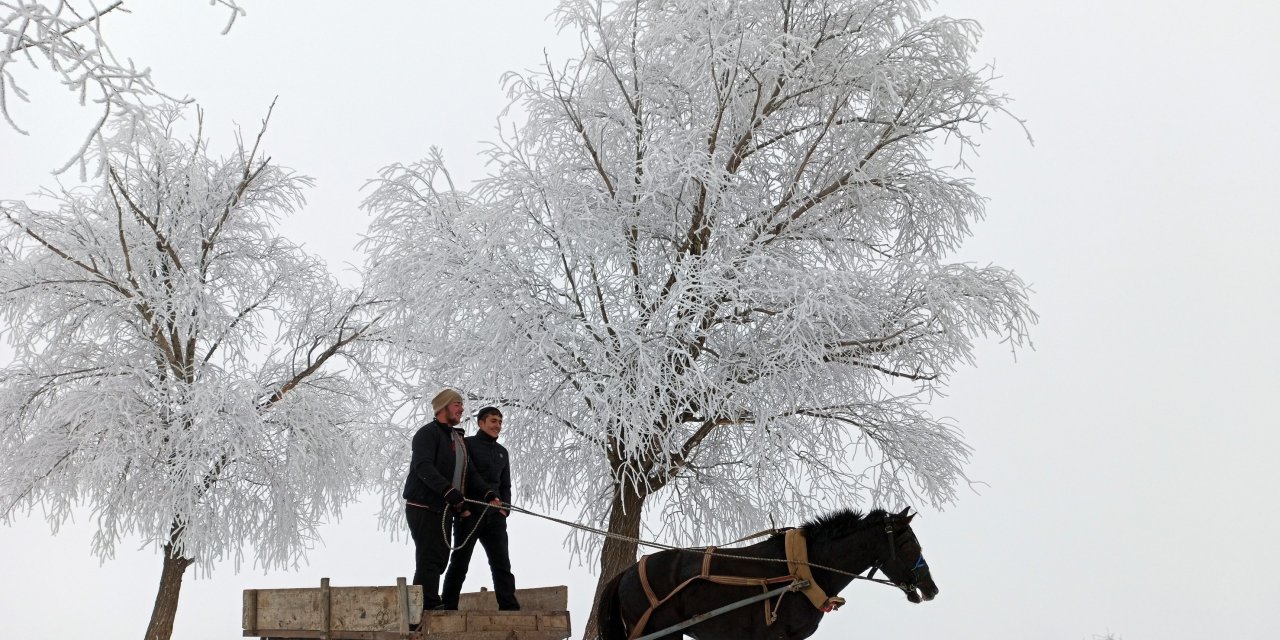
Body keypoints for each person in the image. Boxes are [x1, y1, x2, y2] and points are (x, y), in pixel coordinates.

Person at [403, 389, 502, 611]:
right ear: (443, 407)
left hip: (444, 508)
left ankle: (428, 601)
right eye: (457, 404)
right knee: (429, 555)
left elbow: (471, 473)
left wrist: (488, 494)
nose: (461, 408)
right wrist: (448, 490)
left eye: (461, 405)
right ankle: (426, 605)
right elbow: (423, 466)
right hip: (423, 505)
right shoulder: (427, 434)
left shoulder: (456, 438)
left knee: (440, 556)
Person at [441, 406, 520, 611]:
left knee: (502, 564)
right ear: (481, 423)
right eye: (494, 421)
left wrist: (505, 509)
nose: (498, 426)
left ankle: (509, 607)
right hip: (470, 513)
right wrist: (463, 509)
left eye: (500, 422)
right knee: (460, 562)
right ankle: (448, 607)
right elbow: (462, 477)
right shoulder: (467, 445)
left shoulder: (503, 452)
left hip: (495, 516)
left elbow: (505, 485)